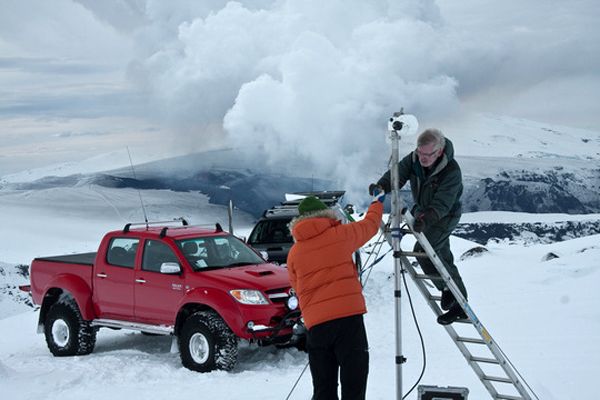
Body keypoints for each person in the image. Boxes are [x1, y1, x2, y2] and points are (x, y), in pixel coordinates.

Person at [287, 193, 384, 400]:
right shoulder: (341, 234)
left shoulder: (294, 253)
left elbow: (297, 286)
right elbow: (370, 225)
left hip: (317, 326)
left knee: (323, 388)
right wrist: (377, 203)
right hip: (349, 321)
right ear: (325, 215)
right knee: (354, 383)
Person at [369, 128, 468, 325]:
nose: (422, 158)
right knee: (442, 255)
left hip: (444, 216)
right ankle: (453, 296)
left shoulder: (451, 171)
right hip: (423, 212)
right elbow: (397, 174)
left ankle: (455, 300)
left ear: (439, 152)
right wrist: (381, 186)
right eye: (420, 153)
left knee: (424, 251)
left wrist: (426, 218)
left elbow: (442, 204)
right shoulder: (414, 159)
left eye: (427, 154)